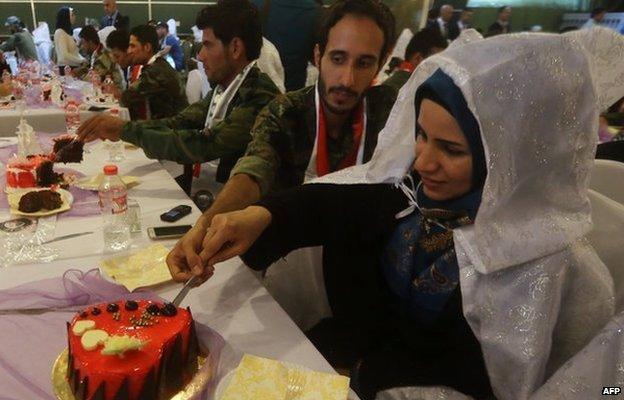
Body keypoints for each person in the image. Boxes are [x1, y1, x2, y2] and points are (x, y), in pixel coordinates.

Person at [168, 28, 622, 400]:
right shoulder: (419, 202)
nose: (422, 162)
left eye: (451, 149)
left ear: (513, 160)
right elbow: (332, 206)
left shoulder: (554, 273)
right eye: (421, 135)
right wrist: (257, 217)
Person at [166, 0, 397, 297]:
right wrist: (206, 224)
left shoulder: (390, 115)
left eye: (364, 63)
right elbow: (253, 170)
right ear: (317, 54)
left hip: (360, 279)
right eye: (337, 59)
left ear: (382, 61)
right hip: (290, 272)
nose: (347, 79)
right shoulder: (288, 111)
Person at [77, 0, 280, 187]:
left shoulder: (259, 96)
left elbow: (205, 145)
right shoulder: (223, 88)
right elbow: (177, 122)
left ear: (235, 48)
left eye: (207, 45)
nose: (199, 56)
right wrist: (123, 128)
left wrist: (125, 131)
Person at [120, 24, 187, 120]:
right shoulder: (157, 64)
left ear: (147, 47)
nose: (129, 51)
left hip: (172, 129)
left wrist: (115, 92)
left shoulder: (156, 71)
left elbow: (126, 98)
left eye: (132, 46)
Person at [251, 0, 321, 91]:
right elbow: (320, 60)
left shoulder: (248, 6)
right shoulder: (313, 12)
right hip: (291, 97)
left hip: (249, 95)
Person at [383, 27, 447, 91]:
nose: (441, 69)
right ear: (417, 58)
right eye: (438, 62)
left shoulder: (393, 82)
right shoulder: (414, 89)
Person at [74, 25, 123, 90]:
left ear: (90, 42)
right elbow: (85, 68)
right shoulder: (94, 53)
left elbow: (93, 78)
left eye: (83, 43)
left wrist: (77, 77)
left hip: (113, 93)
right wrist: (75, 72)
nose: (82, 47)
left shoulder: (104, 56)